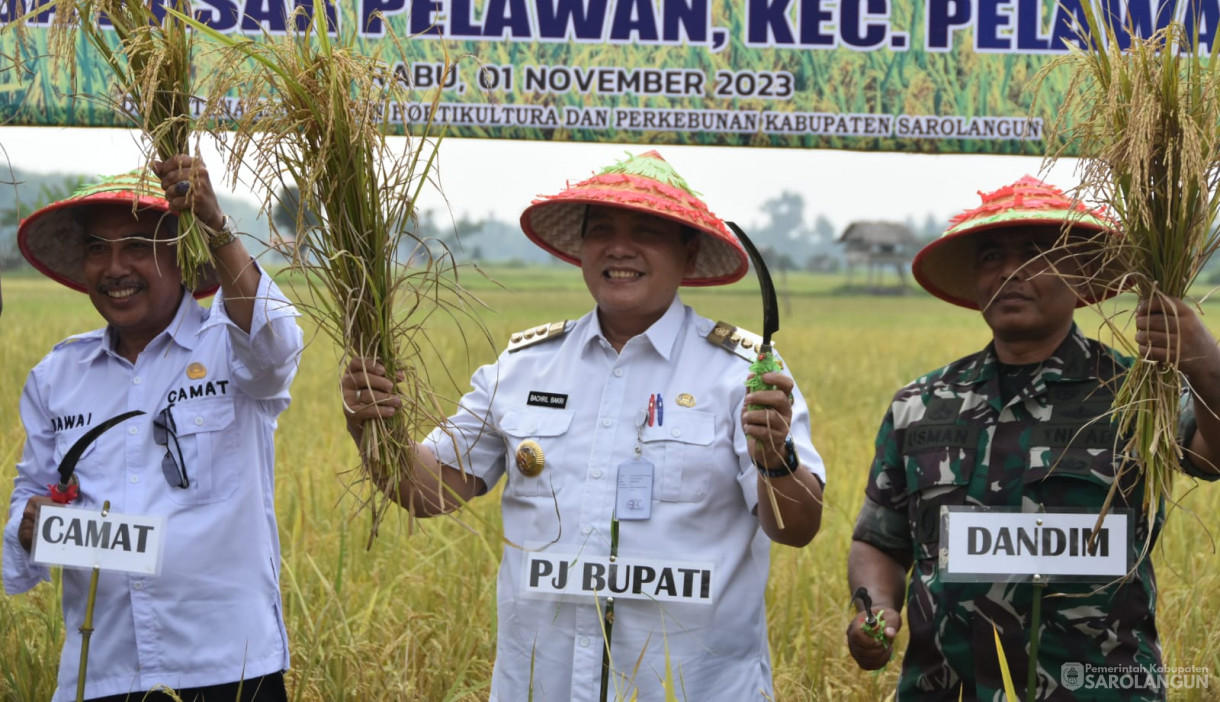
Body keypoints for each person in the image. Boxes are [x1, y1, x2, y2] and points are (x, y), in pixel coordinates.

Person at [343, 150, 825, 701]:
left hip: (691, 688)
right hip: (541, 686)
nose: (620, 248)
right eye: (601, 231)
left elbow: (797, 527)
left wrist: (774, 457)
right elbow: (431, 490)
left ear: (688, 253)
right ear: (581, 249)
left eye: (646, 230)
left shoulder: (743, 373)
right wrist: (371, 428)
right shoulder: (523, 366)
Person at [845, 176, 1220, 700]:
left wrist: (1205, 363)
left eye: (1038, 253)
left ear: (1080, 271)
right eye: (991, 256)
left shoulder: (1138, 394)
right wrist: (874, 606)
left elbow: (1214, 453)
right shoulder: (921, 404)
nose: (1009, 272)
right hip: (948, 688)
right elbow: (879, 540)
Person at [3, 157, 303, 702]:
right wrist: (29, 526)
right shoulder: (57, 377)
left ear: (183, 256)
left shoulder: (230, 348)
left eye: (138, 246)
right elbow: (32, 496)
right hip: (103, 670)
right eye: (99, 248)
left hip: (227, 670)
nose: (114, 267)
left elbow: (276, 347)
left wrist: (214, 224)